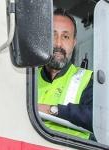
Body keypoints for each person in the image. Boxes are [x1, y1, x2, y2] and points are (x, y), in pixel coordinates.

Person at [36, 8, 93, 139]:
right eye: (53, 34)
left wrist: (51, 110)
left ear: (74, 43)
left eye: (65, 37)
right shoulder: (27, 77)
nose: (58, 43)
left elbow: (97, 118)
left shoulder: (88, 79)